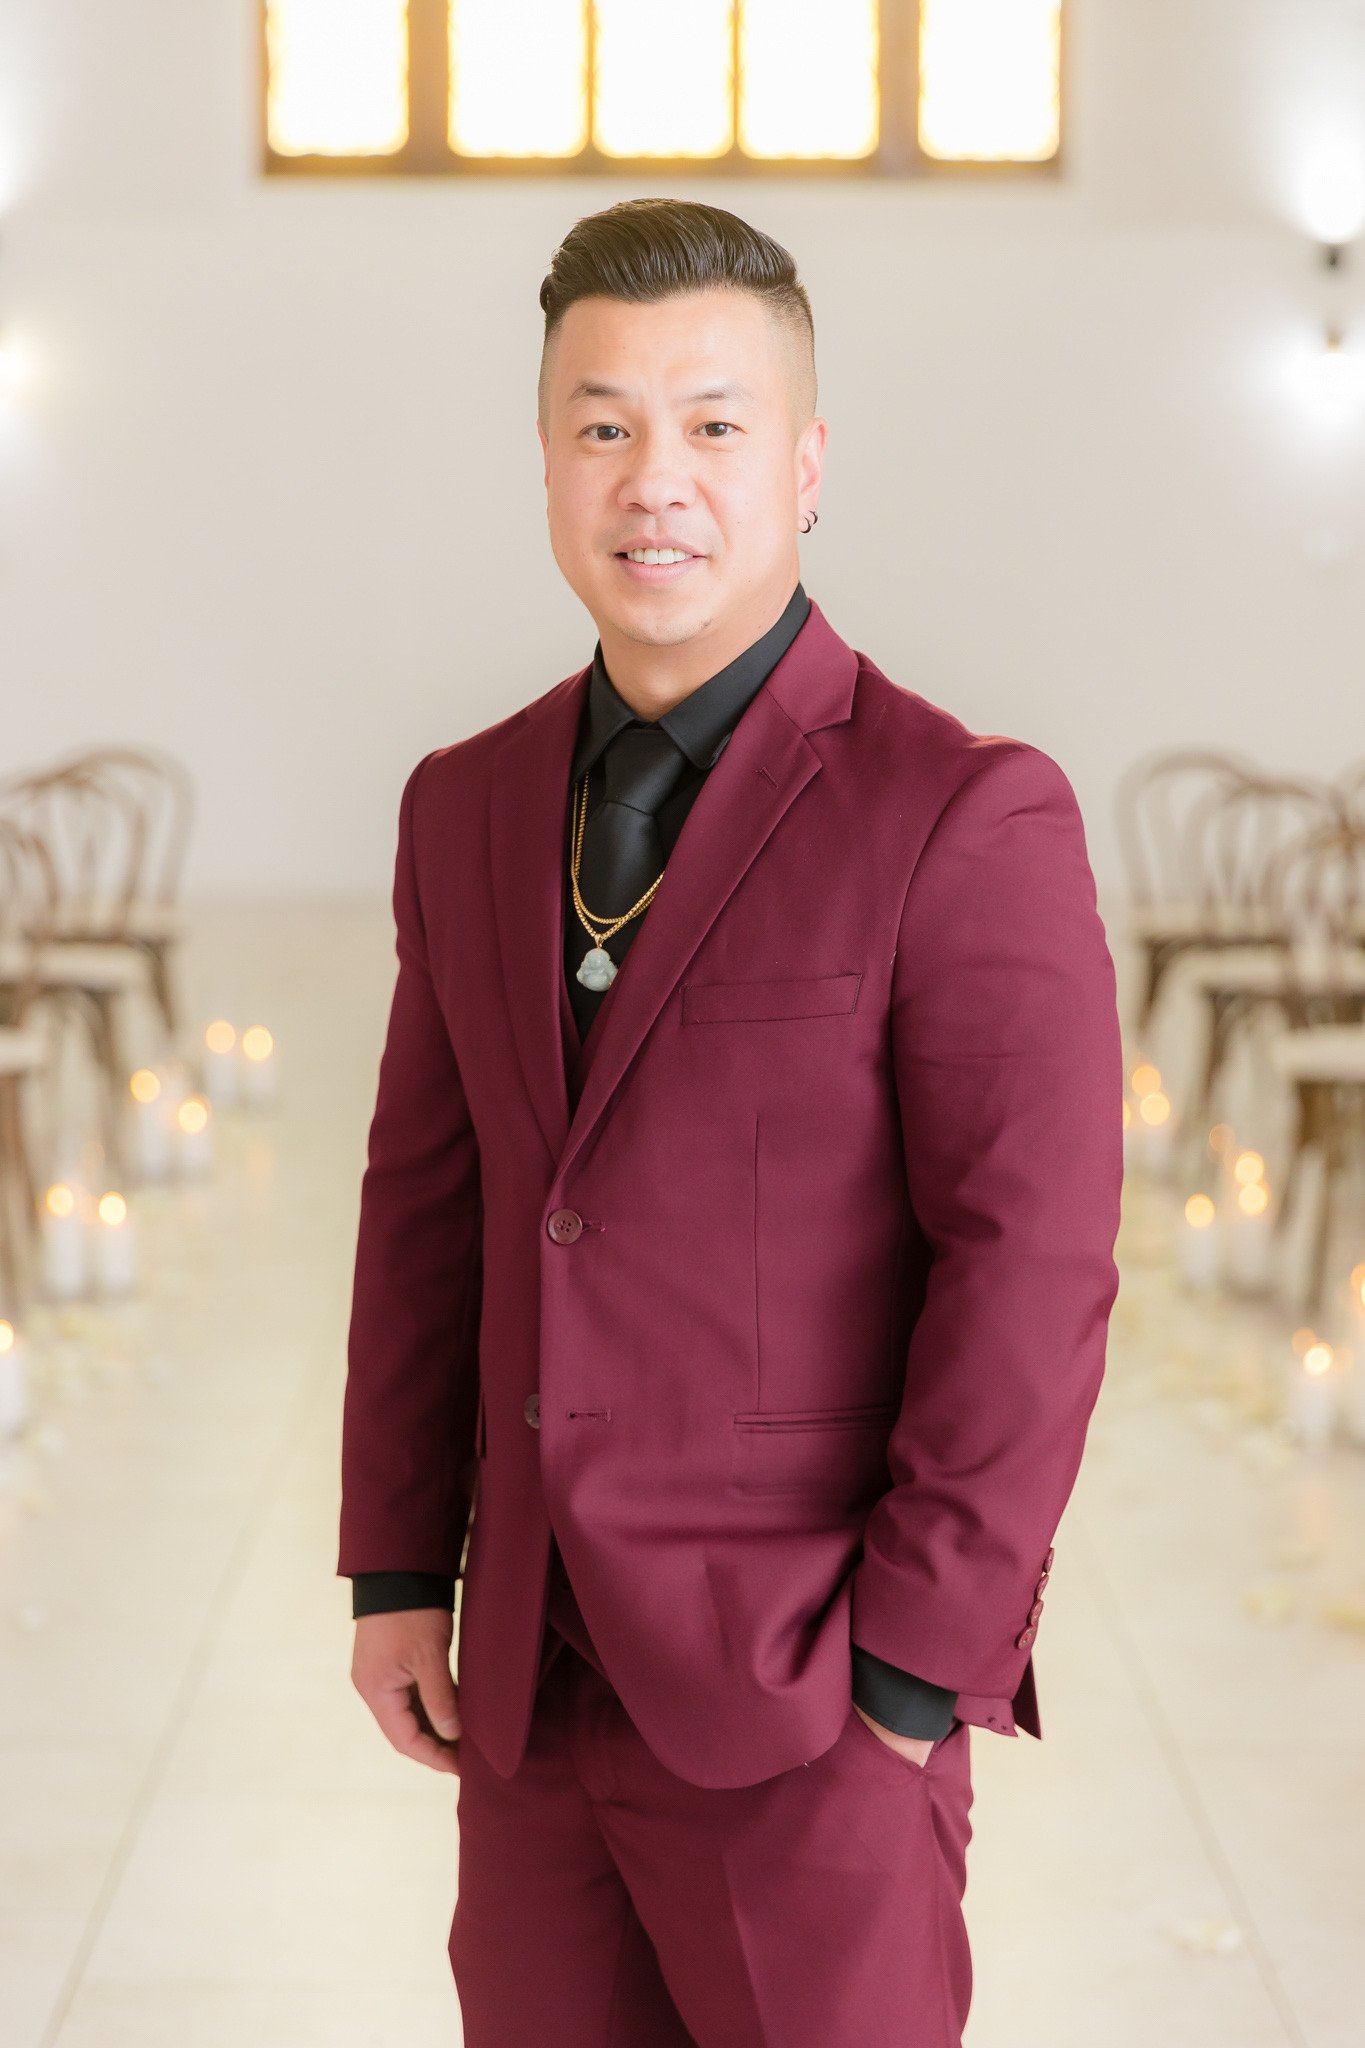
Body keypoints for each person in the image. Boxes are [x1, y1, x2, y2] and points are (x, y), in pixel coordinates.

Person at [338, 195, 1122, 2047]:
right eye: (602, 424)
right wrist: (395, 1568)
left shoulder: (963, 814)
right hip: (531, 1691)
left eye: (712, 425)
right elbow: (424, 1210)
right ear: (545, 459)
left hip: (807, 1700)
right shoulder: (463, 805)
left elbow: (1028, 1271)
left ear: (807, 462)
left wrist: (916, 1670)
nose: (653, 482)